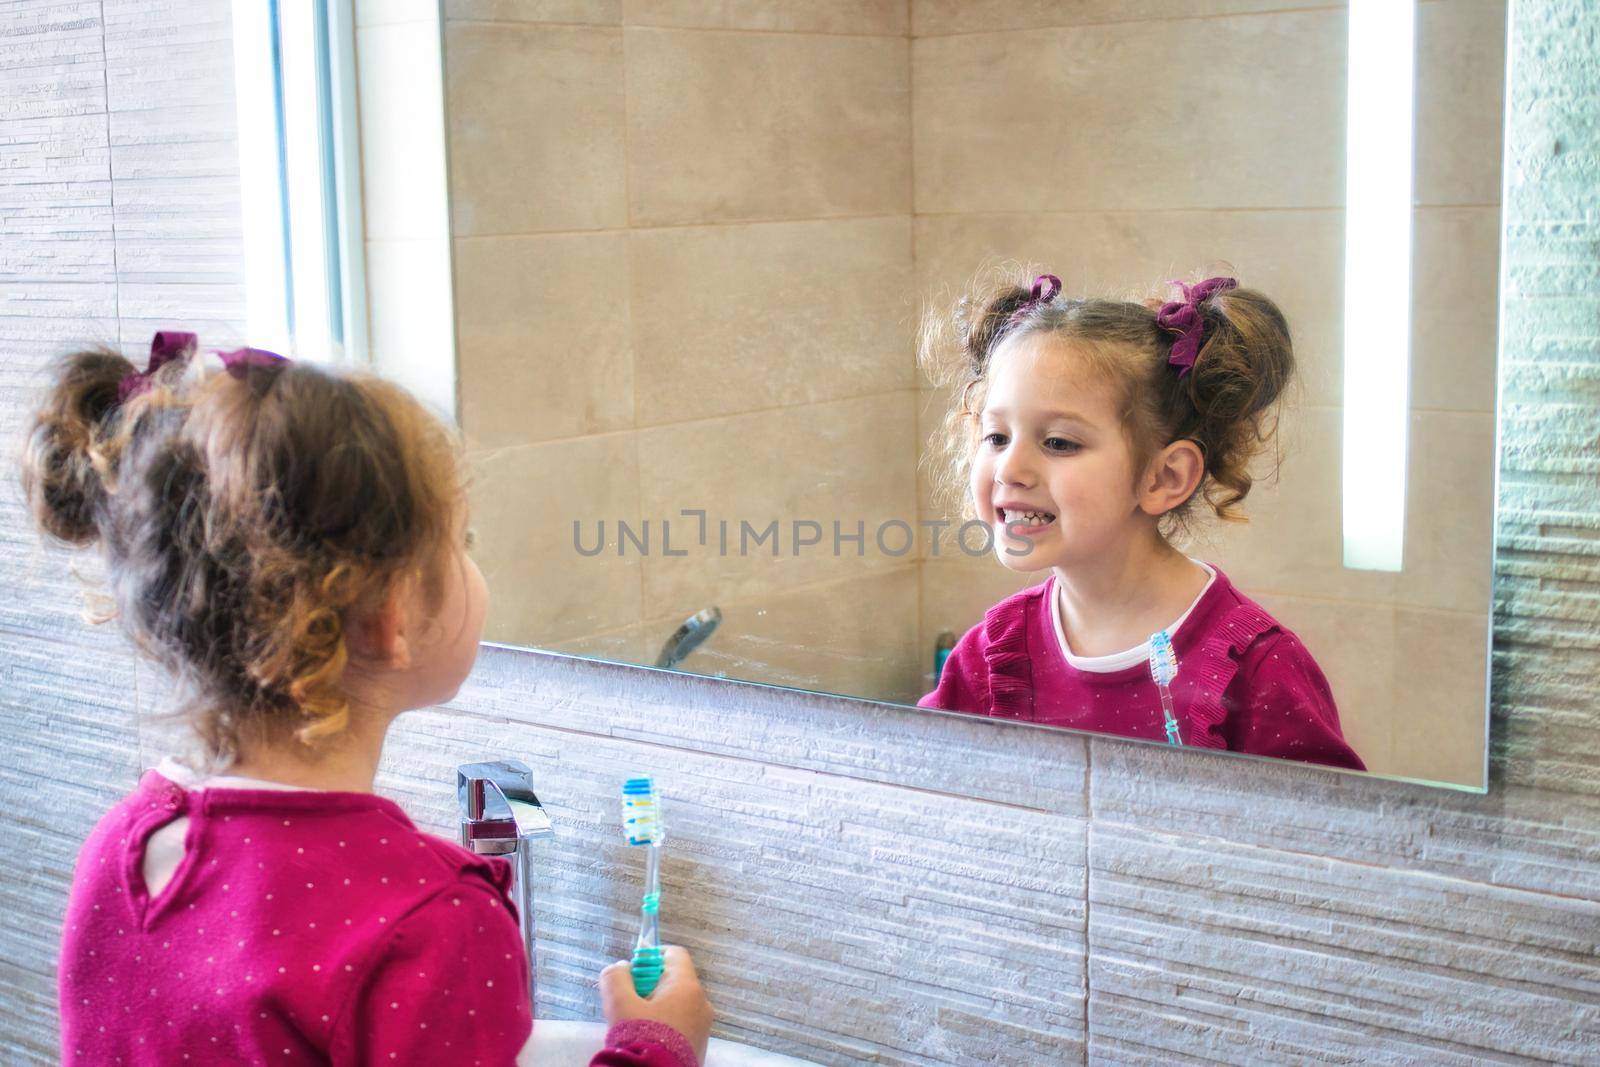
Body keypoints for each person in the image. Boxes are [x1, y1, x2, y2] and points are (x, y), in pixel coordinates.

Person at [24, 331, 716, 1065]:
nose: (475, 565)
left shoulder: (122, 848)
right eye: (463, 540)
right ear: (390, 619)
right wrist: (657, 1044)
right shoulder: (428, 923)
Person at [918, 273, 1364, 771]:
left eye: (1059, 443)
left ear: (1164, 477)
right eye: (996, 437)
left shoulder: (1259, 670)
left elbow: (1334, 839)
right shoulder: (991, 655)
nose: (1010, 470)